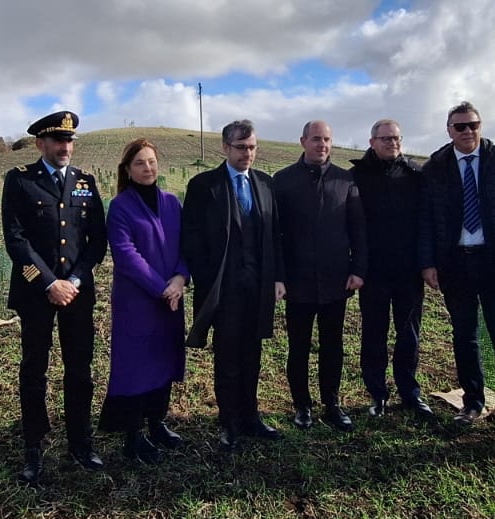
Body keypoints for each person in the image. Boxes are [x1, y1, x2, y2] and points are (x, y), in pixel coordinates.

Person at [1, 110, 109, 482]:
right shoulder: (20, 181)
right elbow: (15, 239)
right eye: (58, 141)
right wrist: (50, 283)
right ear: (40, 144)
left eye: (70, 141)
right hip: (37, 292)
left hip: (77, 293)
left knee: (79, 369)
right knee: (35, 369)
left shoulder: (84, 182)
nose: (65, 147)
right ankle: (34, 443)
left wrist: (75, 279)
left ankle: (81, 441)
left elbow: (97, 241)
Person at [416, 101, 495, 442]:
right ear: (448, 130)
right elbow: (425, 219)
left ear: (481, 126)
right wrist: (427, 262)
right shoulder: (436, 167)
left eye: (473, 125)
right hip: (456, 263)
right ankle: (472, 403)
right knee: (464, 337)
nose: (467, 131)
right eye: (460, 126)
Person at [181, 119, 285, 449]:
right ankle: (228, 422)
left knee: (252, 353)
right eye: (241, 148)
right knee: (227, 355)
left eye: (252, 147)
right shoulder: (203, 185)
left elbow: (275, 236)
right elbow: (191, 238)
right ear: (225, 148)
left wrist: (278, 277)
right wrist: (208, 278)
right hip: (223, 288)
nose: (248, 154)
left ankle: (250, 416)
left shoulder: (266, 184)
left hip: (259, 285)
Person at [271, 121, 366, 431]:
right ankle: (302, 406)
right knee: (298, 347)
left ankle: (333, 404)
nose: (321, 144)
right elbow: (275, 235)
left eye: (326, 139)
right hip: (296, 282)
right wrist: (279, 276)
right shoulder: (282, 181)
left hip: (335, 280)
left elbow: (358, 229)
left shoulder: (345, 179)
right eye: (315, 139)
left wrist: (358, 269)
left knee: (332, 346)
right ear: (302, 141)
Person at [100, 138, 189, 463]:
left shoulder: (171, 202)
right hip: (137, 302)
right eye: (140, 163)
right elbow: (126, 256)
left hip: (171, 298)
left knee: (164, 360)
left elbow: (184, 246)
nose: (147, 168)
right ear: (127, 169)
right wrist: (161, 288)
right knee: (136, 366)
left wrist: (179, 279)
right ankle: (133, 433)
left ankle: (157, 422)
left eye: (151, 161)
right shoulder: (121, 206)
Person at [350, 119, 434, 423]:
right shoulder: (356, 176)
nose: (391, 143)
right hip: (372, 272)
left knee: (408, 335)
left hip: (408, 272)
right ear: (372, 142)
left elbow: (428, 219)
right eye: (385, 138)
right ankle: (376, 393)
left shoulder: (416, 175)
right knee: (374, 334)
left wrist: (427, 263)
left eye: (396, 138)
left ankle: (409, 392)